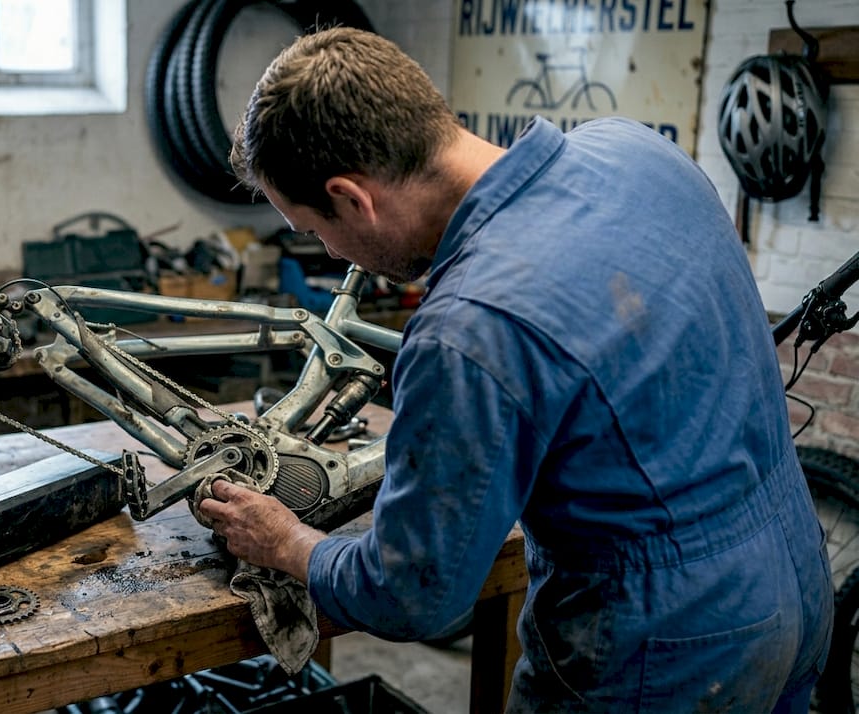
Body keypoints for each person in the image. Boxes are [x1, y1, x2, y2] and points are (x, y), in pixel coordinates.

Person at [197, 27, 833, 712]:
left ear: (354, 199)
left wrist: (290, 542)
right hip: (795, 571)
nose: (329, 249)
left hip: (661, 646)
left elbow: (415, 594)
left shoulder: (466, 330)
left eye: (313, 231)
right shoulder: (638, 151)